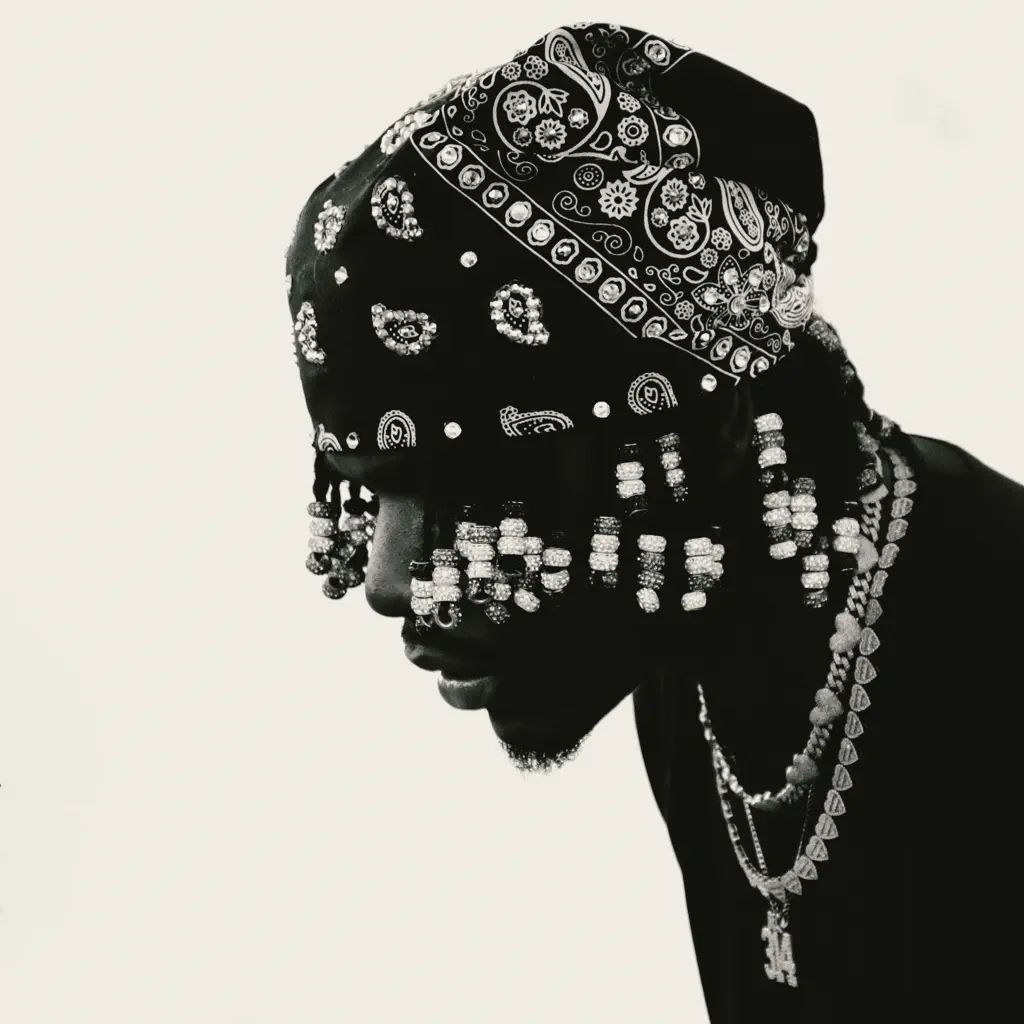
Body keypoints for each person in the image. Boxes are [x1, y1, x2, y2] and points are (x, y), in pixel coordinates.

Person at [283, 22, 1024, 1021]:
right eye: (364, 493)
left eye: (462, 491)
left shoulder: (991, 627)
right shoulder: (693, 670)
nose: (384, 578)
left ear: (705, 429)